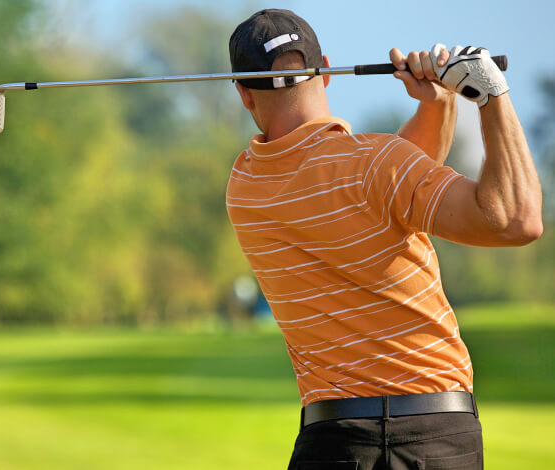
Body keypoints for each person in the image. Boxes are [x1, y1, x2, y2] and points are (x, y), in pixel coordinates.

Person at [226, 9, 542, 470]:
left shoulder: (245, 188)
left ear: (243, 95)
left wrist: (436, 105)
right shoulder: (378, 164)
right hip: (435, 437)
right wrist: (490, 94)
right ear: (326, 70)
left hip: (331, 443)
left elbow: (387, 197)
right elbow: (516, 219)